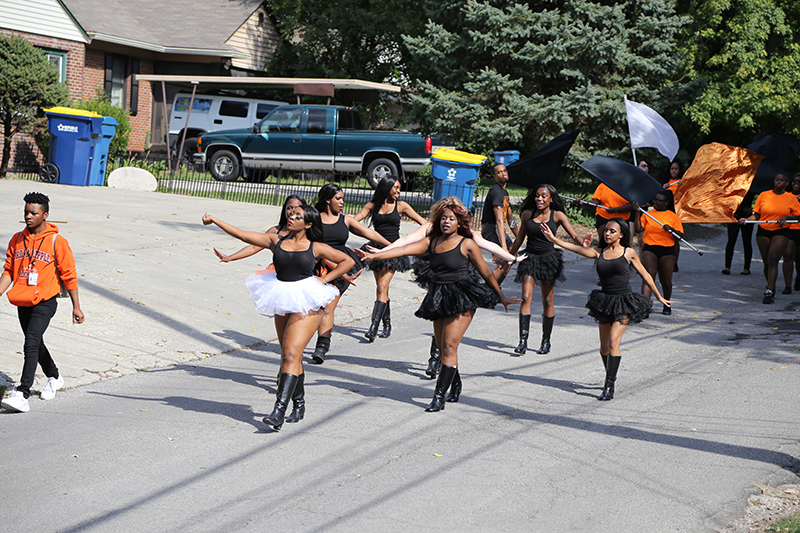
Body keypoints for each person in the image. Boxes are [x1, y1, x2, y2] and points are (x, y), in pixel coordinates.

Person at [202, 205, 355, 430]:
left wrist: (324, 280)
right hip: (282, 295)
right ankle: (299, 404)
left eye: (298, 216)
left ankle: (278, 411)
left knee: (292, 353)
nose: (292, 217)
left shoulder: (316, 247)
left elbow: (347, 261)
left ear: (308, 224)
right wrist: (214, 219)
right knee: (288, 354)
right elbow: (243, 234)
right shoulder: (277, 241)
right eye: (291, 214)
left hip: (308, 300)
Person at [359, 201, 520, 411]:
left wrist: (502, 297)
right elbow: (404, 249)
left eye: (451, 219)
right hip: (439, 294)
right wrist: (375, 255)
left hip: (462, 295)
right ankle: (456, 382)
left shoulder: (467, 244)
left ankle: (438, 396)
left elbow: (486, 273)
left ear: (459, 222)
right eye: (443, 218)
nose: (446, 221)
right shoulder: (431, 242)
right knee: (444, 345)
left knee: (450, 345)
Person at [540, 218, 669, 401]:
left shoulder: (629, 252)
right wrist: (554, 240)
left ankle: (609, 385)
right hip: (605, 301)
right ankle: (610, 374)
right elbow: (575, 248)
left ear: (621, 235)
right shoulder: (598, 252)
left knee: (613, 341)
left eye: (612, 231)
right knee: (604, 347)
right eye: (606, 230)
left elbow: (646, 274)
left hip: (624, 301)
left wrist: (658, 295)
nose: (607, 233)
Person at [1, 192, 84, 413]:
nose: (28, 216)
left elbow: (69, 275)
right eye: (26, 212)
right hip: (23, 299)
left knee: (30, 342)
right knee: (35, 343)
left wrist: (76, 306)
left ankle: (23, 393)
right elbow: (9, 270)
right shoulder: (17, 240)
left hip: (46, 300)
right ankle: (54, 377)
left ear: (45, 215)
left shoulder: (57, 241)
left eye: (33, 213)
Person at [311, 183, 390, 363]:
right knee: (315, 308)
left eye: (343, 199)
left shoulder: (345, 220)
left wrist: (393, 246)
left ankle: (322, 347)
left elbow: (369, 232)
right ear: (327, 200)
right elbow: (313, 247)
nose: (342, 202)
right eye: (338, 198)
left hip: (342, 265)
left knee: (328, 306)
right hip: (317, 264)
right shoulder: (315, 219)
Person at [508, 184, 591, 355]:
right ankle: (523, 341)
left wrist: (583, 243)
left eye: (544, 196)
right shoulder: (527, 214)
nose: (540, 199)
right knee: (525, 298)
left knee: (548, 301)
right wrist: (507, 257)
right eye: (537, 196)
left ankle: (546, 341)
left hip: (548, 259)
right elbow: (519, 240)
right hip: (529, 258)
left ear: (551, 199)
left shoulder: (558, 215)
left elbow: (574, 235)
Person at [353, 177, 426, 341]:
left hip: (393, 249)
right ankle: (387, 324)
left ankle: (373, 327)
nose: (399, 191)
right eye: (396, 188)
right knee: (381, 289)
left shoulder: (402, 206)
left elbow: (424, 223)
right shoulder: (372, 206)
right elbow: (353, 221)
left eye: (400, 188)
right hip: (375, 250)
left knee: (382, 286)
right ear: (386, 188)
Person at [738, 172, 800, 304]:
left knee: (773, 259)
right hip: (763, 230)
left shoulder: (791, 198)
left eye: (782, 180)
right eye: (777, 180)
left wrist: (787, 217)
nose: (779, 183)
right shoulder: (764, 195)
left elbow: (798, 216)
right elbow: (757, 215)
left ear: (786, 183)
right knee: (766, 262)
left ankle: (769, 291)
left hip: (781, 231)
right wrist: (746, 219)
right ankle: (770, 284)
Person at [212, 195, 306, 263]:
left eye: (297, 208)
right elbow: (253, 247)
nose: (293, 212)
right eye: (289, 208)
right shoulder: (274, 232)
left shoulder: (308, 232)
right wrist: (230, 257)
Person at [635, 190, 684, 315]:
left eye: (658, 200)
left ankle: (666, 304)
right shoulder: (648, 214)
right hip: (650, 248)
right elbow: (638, 229)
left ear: (666, 203)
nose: (655, 202)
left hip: (667, 250)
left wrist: (671, 229)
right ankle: (644, 307)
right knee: (648, 277)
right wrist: (637, 213)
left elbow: (680, 236)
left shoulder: (673, 216)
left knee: (666, 281)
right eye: (654, 200)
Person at [480, 163, 518, 282]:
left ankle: (494, 287)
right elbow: (499, 220)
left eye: (505, 171)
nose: (503, 173)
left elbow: (510, 219)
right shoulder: (495, 192)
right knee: (503, 259)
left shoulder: (504, 192)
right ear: (494, 177)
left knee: (512, 255)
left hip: (498, 229)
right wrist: (503, 247)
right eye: (499, 172)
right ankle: (489, 288)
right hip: (491, 228)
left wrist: (519, 237)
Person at [722, 191, 755, 276]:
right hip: (734, 216)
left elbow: (761, 199)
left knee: (747, 241)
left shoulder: (752, 188)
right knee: (731, 240)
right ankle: (727, 267)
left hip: (747, 217)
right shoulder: (734, 188)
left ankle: (746, 268)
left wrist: (753, 209)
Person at [781, 175, 800, 293]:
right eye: (794, 181)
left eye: (799, 182)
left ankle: (798, 278)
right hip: (789, 230)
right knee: (788, 256)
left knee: (799, 258)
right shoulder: (786, 196)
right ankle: (788, 285)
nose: (796, 183)